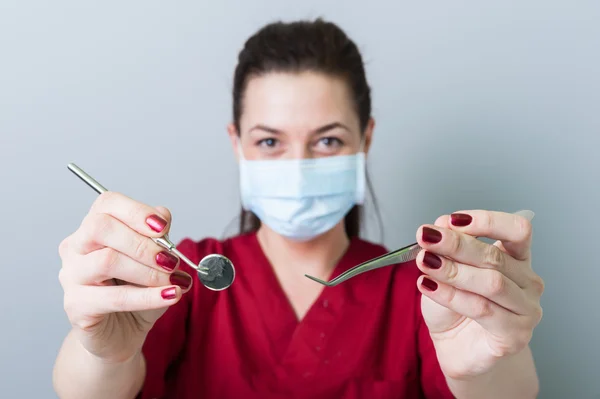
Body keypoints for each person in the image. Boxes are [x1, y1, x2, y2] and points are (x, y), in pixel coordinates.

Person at [52, 18, 544, 399]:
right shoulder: (183, 278)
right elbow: (91, 390)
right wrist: (102, 349)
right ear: (237, 143)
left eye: (327, 140)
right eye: (269, 141)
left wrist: (494, 358)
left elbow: (503, 389)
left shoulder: (425, 290)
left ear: (365, 139)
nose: (298, 166)